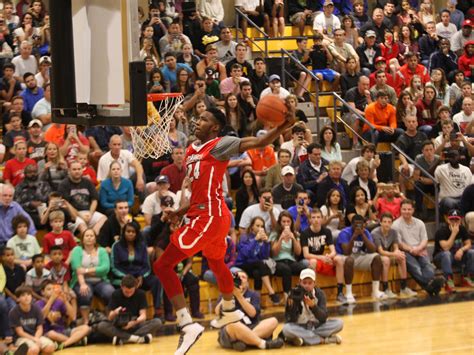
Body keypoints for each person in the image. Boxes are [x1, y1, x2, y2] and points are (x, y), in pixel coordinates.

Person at [153, 106, 294, 355]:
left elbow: (259, 141)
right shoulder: (191, 150)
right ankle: (229, 309)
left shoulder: (220, 145)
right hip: (203, 213)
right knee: (216, 262)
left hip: (209, 216)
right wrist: (179, 212)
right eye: (199, 118)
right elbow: (198, 191)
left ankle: (187, 325)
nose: (198, 122)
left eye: (205, 119)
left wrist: (282, 126)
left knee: (162, 266)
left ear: (215, 127)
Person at [216, 270, 283, 351]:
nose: (240, 278)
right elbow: (217, 312)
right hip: (231, 330)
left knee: (273, 321)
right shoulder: (225, 294)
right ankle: (263, 344)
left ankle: (244, 341)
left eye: (243, 277)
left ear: (247, 282)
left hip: (252, 327)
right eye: (238, 277)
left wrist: (239, 296)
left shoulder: (253, 294)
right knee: (233, 323)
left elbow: (252, 313)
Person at [392, 199, 445, 296]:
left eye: (409, 209)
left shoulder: (420, 223)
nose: (406, 212)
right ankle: (430, 285)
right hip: (406, 251)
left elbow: (424, 240)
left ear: (413, 210)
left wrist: (418, 249)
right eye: (404, 209)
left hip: (420, 250)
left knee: (428, 266)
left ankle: (430, 287)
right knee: (416, 268)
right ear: (400, 210)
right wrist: (412, 250)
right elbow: (400, 244)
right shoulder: (396, 225)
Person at [110, 221, 162, 317]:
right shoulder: (116, 246)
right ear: (124, 232)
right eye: (128, 231)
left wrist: (141, 275)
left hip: (139, 277)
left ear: (137, 233)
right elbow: (114, 267)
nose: (130, 234)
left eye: (133, 232)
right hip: (122, 277)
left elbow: (146, 266)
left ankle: (158, 310)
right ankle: (123, 314)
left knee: (156, 281)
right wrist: (127, 278)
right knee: (125, 284)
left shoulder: (142, 246)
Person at [280, 268, 343, 346]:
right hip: (300, 326)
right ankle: (323, 340)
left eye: (310, 283)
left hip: (316, 326)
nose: (307, 285)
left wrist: (313, 306)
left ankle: (304, 338)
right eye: (304, 283)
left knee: (339, 323)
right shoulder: (293, 294)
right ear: (300, 282)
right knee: (287, 328)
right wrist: (294, 305)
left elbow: (323, 317)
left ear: (314, 283)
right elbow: (289, 320)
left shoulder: (320, 294)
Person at [300, 208, 349, 304]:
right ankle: (313, 294)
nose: (316, 220)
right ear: (310, 219)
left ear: (322, 219)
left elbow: (333, 251)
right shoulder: (305, 233)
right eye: (313, 217)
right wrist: (322, 258)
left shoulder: (326, 231)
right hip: (310, 260)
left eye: (318, 217)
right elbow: (306, 255)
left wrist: (328, 257)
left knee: (339, 259)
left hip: (322, 259)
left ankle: (340, 293)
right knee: (313, 261)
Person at [336, 214, 388, 301]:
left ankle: (375, 291)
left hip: (359, 256)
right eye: (356, 224)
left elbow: (372, 250)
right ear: (352, 224)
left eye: (360, 224)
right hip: (343, 257)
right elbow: (346, 252)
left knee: (377, 257)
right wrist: (354, 236)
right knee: (349, 260)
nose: (358, 226)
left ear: (364, 224)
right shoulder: (344, 233)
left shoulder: (366, 232)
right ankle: (348, 293)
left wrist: (363, 235)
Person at [97, 274, 161, 345]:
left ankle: (124, 339)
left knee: (157, 322)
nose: (129, 294)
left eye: (131, 292)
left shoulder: (141, 294)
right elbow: (110, 317)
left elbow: (143, 316)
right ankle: (137, 338)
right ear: (121, 287)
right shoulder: (116, 294)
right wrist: (115, 312)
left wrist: (134, 322)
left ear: (135, 287)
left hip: (135, 323)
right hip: (120, 325)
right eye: (126, 292)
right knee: (102, 325)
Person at [69, 229, 115, 325]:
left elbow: (105, 268)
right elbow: (76, 268)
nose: (89, 238)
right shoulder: (77, 250)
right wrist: (82, 284)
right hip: (81, 281)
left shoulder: (102, 251)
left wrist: (85, 271)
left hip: (100, 280)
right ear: (82, 239)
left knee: (110, 292)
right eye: (87, 236)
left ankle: (109, 319)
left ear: (95, 239)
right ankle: (86, 321)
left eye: (91, 236)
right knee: (85, 293)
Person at [372, 213, 418, 298]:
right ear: (380, 223)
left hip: (387, 253)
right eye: (385, 222)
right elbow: (381, 251)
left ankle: (403, 288)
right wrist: (394, 253)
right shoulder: (375, 233)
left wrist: (398, 253)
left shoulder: (393, 232)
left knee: (402, 257)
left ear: (392, 223)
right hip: (376, 255)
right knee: (386, 260)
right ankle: (385, 288)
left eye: (389, 222)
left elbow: (396, 247)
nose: (387, 224)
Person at [36, 280, 90, 350]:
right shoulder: (38, 304)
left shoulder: (59, 302)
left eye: (53, 289)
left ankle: (64, 344)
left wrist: (65, 301)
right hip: (48, 333)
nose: (52, 291)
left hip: (62, 331)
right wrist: (51, 300)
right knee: (51, 333)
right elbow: (42, 317)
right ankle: (75, 341)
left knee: (86, 328)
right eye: (49, 289)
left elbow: (73, 317)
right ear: (43, 292)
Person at [58, 161, 107, 235]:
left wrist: (90, 214)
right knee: (82, 225)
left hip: (88, 212)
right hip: (73, 215)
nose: (77, 171)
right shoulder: (64, 184)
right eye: (74, 169)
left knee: (104, 218)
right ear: (69, 171)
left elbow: (94, 200)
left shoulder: (88, 182)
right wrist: (81, 216)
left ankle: (93, 237)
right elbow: (66, 204)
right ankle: (88, 238)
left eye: (79, 169)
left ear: (82, 170)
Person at [433, 209, 474, 293]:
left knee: (472, 252)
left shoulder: (462, 229)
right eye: (452, 219)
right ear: (448, 220)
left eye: (457, 219)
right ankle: (448, 281)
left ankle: (467, 277)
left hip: (456, 257)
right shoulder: (441, 231)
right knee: (446, 254)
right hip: (440, 259)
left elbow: (468, 244)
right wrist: (454, 233)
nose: (454, 222)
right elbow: (446, 248)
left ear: (460, 220)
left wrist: (461, 250)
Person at [8, 286, 55, 355]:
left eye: (28, 294)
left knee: (50, 347)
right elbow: (20, 332)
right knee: (34, 349)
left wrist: (36, 338)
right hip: (21, 338)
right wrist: (34, 339)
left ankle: (17, 351)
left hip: (35, 335)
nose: (26, 297)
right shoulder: (14, 312)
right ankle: (15, 350)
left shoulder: (36, 308)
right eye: (23, 295)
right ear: (18, 299)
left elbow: (40, 328)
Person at [434, 149, 473, 216]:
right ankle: (454, 222)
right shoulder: (441, 169)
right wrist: (439, 160)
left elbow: (469, 188)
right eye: (451, 156)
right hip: (447, 198)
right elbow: (429, 174)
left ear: (460, 156)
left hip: (462, 198)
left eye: (455, 155)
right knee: (449, 203)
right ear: (448, 158)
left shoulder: (466, 169)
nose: (454, 158)